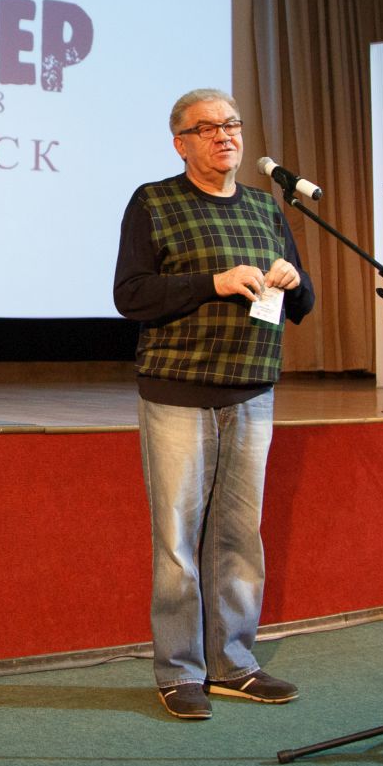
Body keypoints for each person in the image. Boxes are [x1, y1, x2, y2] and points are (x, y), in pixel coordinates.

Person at [113, 88, 315, 720]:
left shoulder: (264, 205)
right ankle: (180, 671)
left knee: (239, 537)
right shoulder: (153, 202)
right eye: (207, 128)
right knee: (179, 542)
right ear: (181, 143)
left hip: (252, 391)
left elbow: (303, 305)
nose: (225, 135)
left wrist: (293, 281)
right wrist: (214, 282)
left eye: (232, 124)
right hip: (177, 392)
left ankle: (233, 664)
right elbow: (131, 295)